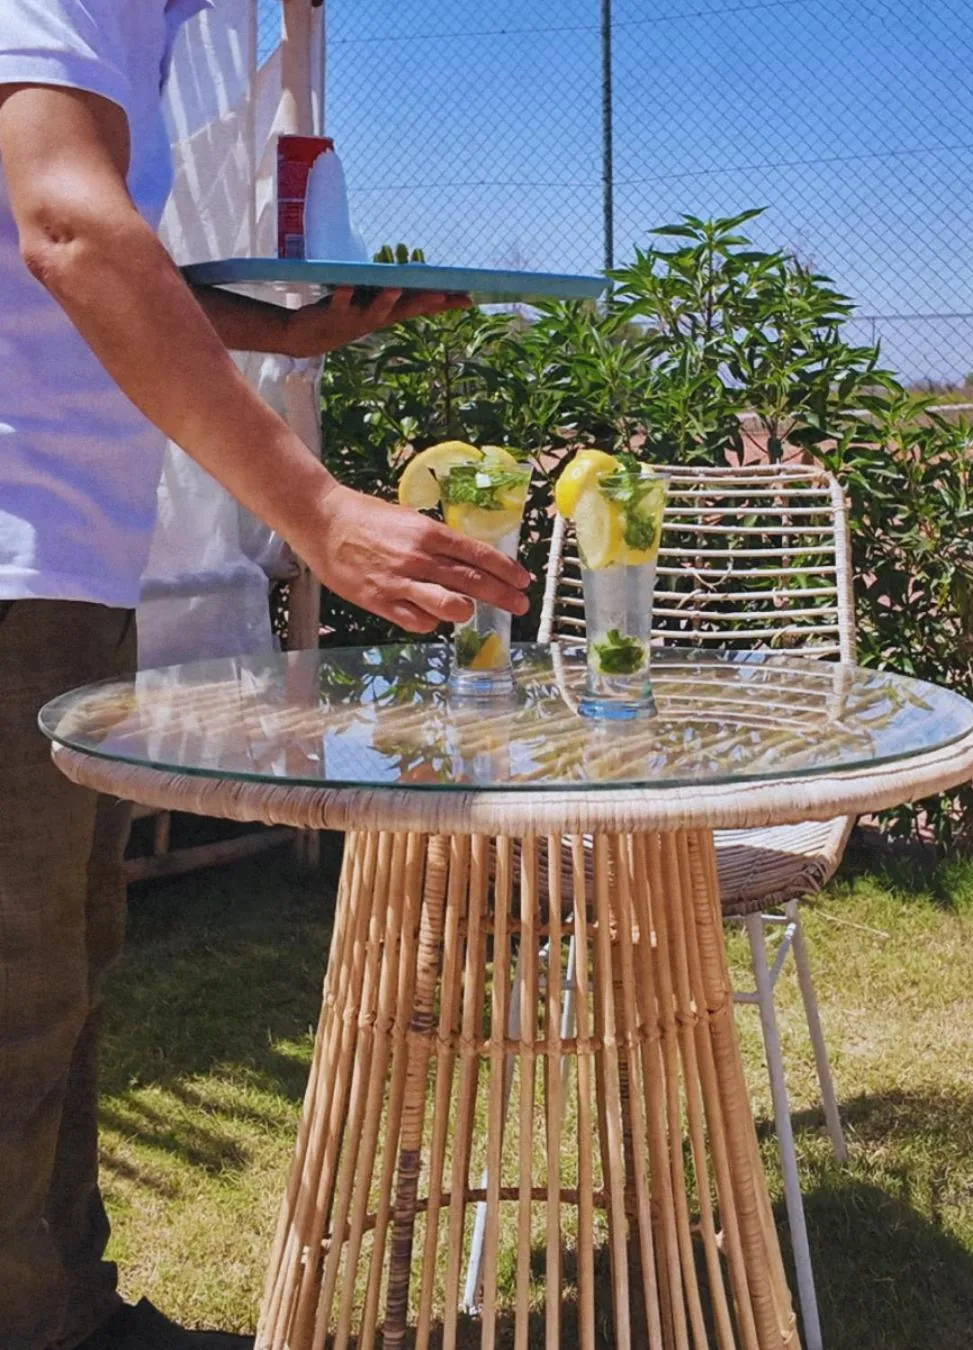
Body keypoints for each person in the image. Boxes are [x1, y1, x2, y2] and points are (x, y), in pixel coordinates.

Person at [0, 3, 531, 1348]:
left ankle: (71, 1315)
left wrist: (281, 331)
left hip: (68, 563)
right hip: (16, 564)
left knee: (61, 983)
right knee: (16, 1001)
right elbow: (64, 228)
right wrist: (316, 508)